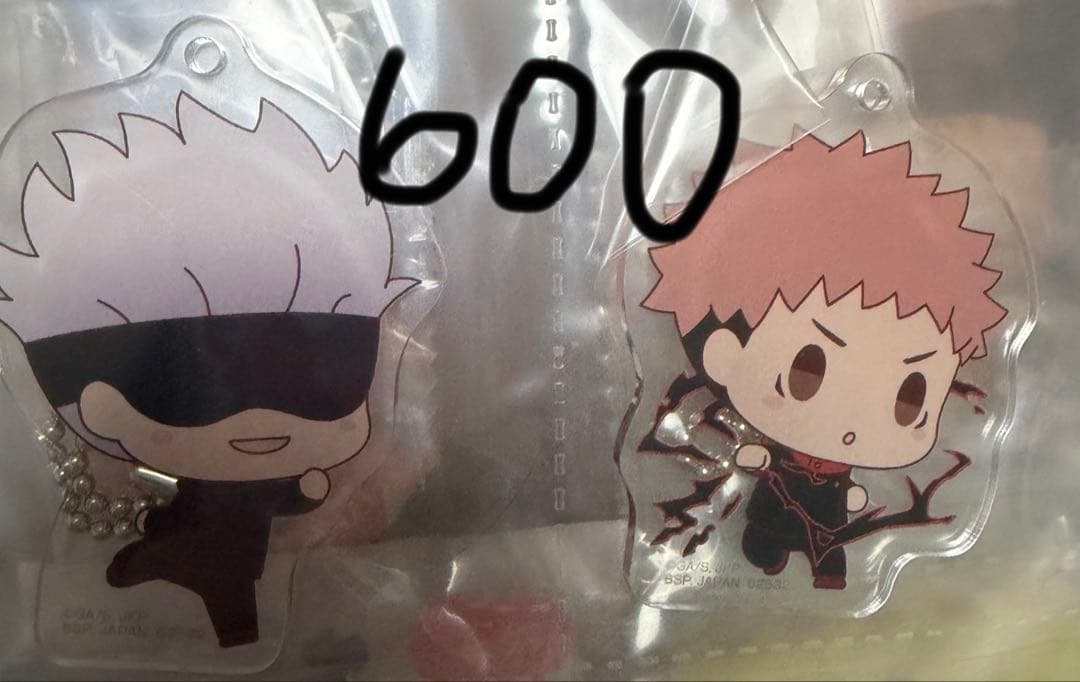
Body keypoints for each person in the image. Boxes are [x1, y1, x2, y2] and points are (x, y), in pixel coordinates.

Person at [0, 93, 414, 646]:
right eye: (190, 388)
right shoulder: (146, 472)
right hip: (207, 552)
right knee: (232, 606)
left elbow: (277, 500)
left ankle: (196, 592)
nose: (263, 414)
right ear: (99, 402)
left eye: (318, 377)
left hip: (246, 561)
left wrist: (311, 495)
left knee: (232, 602)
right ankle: (197, 594)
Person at [643, 132, 1007, 588]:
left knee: (827, 545)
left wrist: (850, 492)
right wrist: (758, 457)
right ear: (724, 351)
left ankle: (823, 567)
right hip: (776, 497)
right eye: (806, 374)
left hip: (834, 508)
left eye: (910, 398)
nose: (851, 423)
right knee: (768, 531)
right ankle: (773, 549)